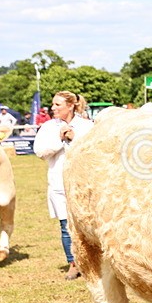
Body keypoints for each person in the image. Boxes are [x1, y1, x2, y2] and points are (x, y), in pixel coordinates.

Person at [34, 91, 95, 279]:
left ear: (71, 106)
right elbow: (40, 151)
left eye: (57, 105)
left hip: (84, 183)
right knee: (65, 225)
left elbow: (93, 151)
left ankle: (94, 262)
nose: (53, 108)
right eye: (53, 104)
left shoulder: (86, 126)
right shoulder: (48, 127)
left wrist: (74, 138)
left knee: (87, 223)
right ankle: (73, 263)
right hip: (59, 183)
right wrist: (59, 139)